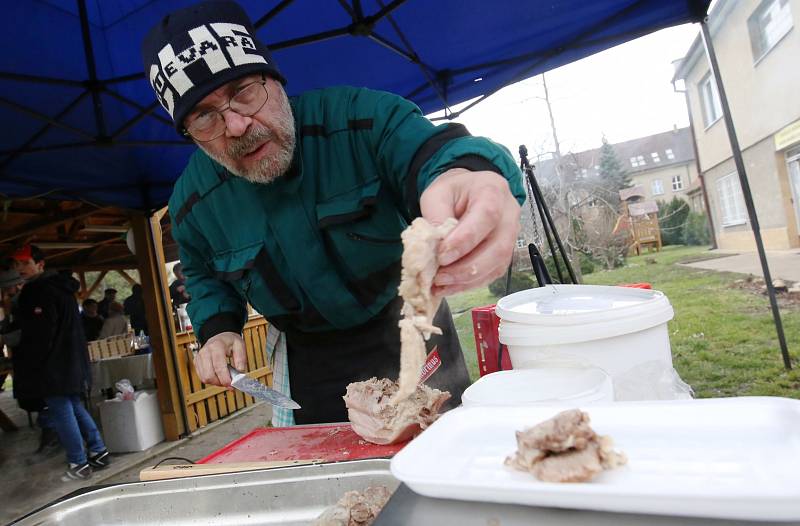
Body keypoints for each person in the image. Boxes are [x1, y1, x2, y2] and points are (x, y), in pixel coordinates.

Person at [142, 1, 524, 425]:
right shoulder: (191, 204)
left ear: (275, 80)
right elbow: (203, 276)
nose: (236, 125)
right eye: (204, 117)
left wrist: (472, 174)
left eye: (244, 91)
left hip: (412, 325)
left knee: (447, 444)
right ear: (190, 135)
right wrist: (216, 328)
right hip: (309, 358)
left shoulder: (359, 119)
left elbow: (429, 152)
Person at [11, 244, 110, 480]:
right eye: (18, 264)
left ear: (40, 264)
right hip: (71, 360)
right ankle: (99, 451)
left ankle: (78, 463)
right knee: (73, 405)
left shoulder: (39, 291)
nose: (21, 268)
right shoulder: (61, 287)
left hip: (53, 364)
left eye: (26, 263)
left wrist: (30, 360)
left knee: (61, 411)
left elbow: (40, 333)